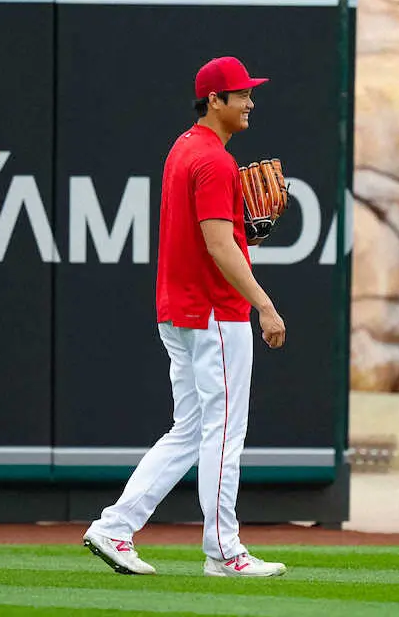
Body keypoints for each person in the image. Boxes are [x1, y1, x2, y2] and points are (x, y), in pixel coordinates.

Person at [83, 56, 288, 578]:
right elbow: (218, 244)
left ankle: (115, 527)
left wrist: (249, 237)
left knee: (191, 428)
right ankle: (225, 551)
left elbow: (215, 239)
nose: (249, 102)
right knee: (224, 432)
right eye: (239, 94)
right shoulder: (215, 161)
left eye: (249, 93)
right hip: (215, 312)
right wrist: (264, 305)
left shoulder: (185, 148)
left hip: (180, 310)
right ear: (213, 100)